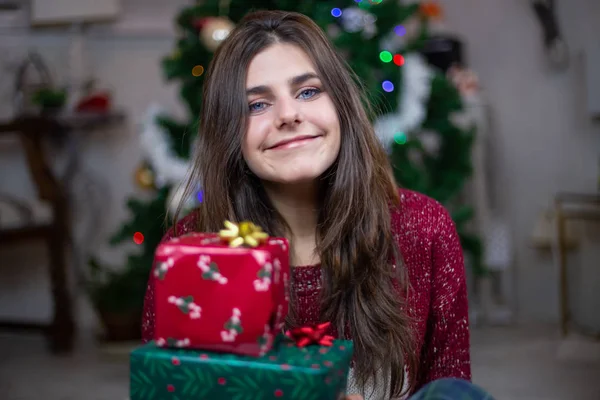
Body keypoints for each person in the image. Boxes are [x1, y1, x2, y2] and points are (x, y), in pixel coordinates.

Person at [142, 10, 481, 400]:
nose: (289, 115)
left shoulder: (424, 227)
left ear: (341, 106)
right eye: (256, 105)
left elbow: (449, 382)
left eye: (308, 91)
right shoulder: (190, 252)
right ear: (228, 129)